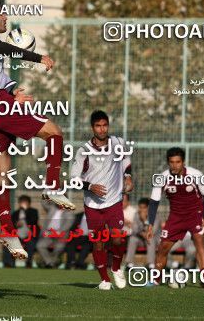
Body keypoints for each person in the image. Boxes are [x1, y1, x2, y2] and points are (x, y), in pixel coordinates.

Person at [0, 0, 74, 259]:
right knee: (54, 132)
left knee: (3, 173)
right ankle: (53, 184)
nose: (5, 18)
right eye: (1, 14)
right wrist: (37, 57)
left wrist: (12, 91)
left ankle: (8, 231)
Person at [70, 110, 133, 290]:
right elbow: (73, 179)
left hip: (114, 201)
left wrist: (128, 176)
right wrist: (90, 186)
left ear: (108, 126)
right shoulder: (83, 151)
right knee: (98, 242)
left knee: (118, 239)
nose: (102, 129)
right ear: (92, 128)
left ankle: (115, 268)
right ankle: (104, 279)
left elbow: (126, 161)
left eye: (104, 125)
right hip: (92, 205)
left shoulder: (118, 143)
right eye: (98, 125)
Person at [146, 147, 204, 288]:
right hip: (175, 217)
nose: (175, 165)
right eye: (172, 162)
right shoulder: (162, 178)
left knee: (199, 241)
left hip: (195, 214)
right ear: (168, 162)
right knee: (162, 247)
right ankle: (156, 279)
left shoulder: (195, 174)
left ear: (183, 162)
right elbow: (153, 203)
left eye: (178, 162)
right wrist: (150, 224)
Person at [2, 195, 40, 268]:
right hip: (18, 236)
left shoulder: (33, 212)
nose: (23, 204)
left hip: (29, 235)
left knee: (31, 244)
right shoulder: (15, 213)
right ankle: (8, 264)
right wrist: (16, 225)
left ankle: (28, 263)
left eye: (25, 203)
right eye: (21, 202)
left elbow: (34, 221)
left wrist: (25, 214)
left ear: (29, 203)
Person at [36, 200, 75, 268]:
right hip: (49, 233)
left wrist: (58, 232)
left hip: (61, 234)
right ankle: (50, 262)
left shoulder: (69, 212)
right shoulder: (52, 208)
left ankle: (52, 262)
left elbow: (68, 225)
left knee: (59, 247)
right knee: (40, 246)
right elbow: (43, 203)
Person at [125, 198, 160, 269]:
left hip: (154, 240)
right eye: (140, 207)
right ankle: (129, 263)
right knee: (132, 239)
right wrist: (143, 234)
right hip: (141, 238)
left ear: (148, 208)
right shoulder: (136, 215)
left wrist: (144, 220)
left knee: (150, 238)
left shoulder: (156, 215)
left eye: (144, 208)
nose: (142, 210)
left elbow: (153, 231)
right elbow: (134, 229)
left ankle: (151, 263)